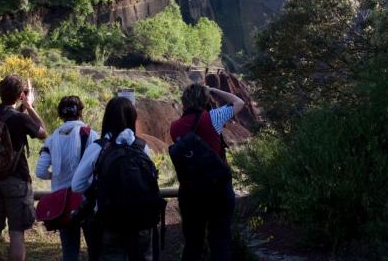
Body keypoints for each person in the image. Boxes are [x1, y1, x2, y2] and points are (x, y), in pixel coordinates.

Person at [71, 97, 159, 261]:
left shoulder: (98, 147)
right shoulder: (143, 147)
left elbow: (76, 185)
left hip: (110, 220)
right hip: (142, 220)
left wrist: (98, 187)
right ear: (133, 117)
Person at [170, 83, 244, 261]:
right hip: (218, 189)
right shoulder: (214, 117)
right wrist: (213, 90)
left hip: (190, 192)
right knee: (220, 241)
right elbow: (238, 102)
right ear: (205, 100)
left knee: (193, 243)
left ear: (184, 102)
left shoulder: (175, 127)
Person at [0, 75, 48, 261]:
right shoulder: (21, 118)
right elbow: (42, 132)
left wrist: (21, 105)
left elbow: (5, 118)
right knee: (17, 234)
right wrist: (29, 106)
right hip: (17, 180)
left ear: (0, 93)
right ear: (20, 96)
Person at [35, 96, 100, 261]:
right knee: (95, 250)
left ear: (60, 115)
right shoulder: (91, 135)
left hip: (63, 204)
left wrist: (55, 175)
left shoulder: (51, 139)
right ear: (80, 112)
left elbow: (40, 171)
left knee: (70, 253)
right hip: (88, 200)